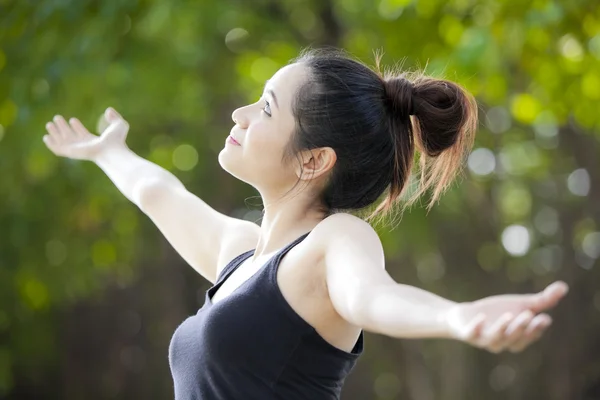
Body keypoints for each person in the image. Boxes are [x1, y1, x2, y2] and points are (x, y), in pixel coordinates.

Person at [43, 48, 568, 400]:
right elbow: (159, 193)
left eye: (266, 109)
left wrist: (458, 318)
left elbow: (373, 297)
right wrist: (110, 153)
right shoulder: (240, 255)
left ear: (313, 160)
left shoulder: (335, 241)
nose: (240, 115)